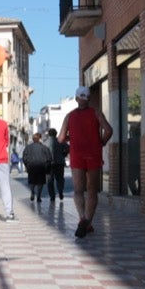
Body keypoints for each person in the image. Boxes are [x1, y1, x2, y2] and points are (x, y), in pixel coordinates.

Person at [59, 85, 113, 238]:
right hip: (93, 155)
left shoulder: (69, 116)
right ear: (88, 99)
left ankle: (82, 218)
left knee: (78, 190)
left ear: (77, 98)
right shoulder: (96, 113)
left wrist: (71, 138)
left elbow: (61, 138)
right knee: (92, 190)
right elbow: (108, 130)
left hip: (77, 155)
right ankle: (88, 222)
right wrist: (101, 142)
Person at [23, 131, 53, 205]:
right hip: (41, 167)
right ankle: (38, 196)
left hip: (31, 166)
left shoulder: (28, 147)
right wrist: (47, 166)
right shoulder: (44, 148)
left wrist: (27, 165)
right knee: (40, 182)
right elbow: (49, 158)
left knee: (32, 181)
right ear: (40, 139)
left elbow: (24, 158)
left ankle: (32, 192)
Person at [48, 130, 68, 205]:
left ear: (49, 134)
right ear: (56, 134)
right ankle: (60, 191)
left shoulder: (45, 142)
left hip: (49, 164)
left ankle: (52, 196)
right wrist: (63, 154)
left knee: (50, 181)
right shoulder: (60, 141)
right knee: (60, 179)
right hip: (60, 163)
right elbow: (68, 148)